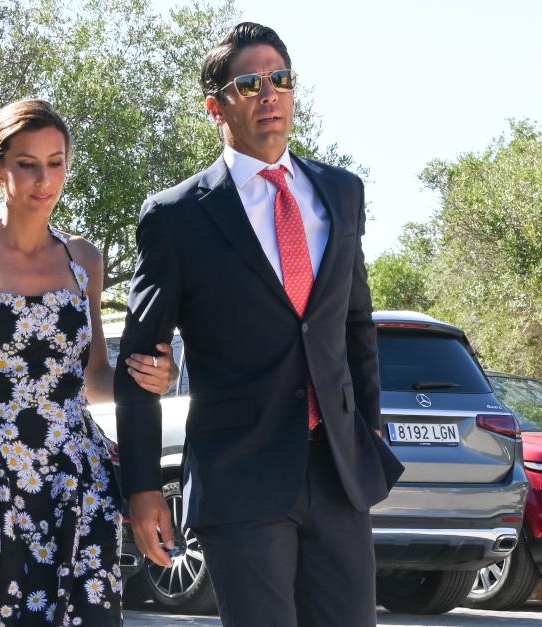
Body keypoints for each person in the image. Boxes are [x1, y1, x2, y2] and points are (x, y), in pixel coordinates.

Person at [115, 22, 405, 627]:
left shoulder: (340, 193)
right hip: (240, 477)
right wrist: (143, 490)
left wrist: (369, 432)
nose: (269, 94)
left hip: (337, 472)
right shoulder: (178, 217)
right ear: (215, 106)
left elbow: (356, 326)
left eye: (281, 79)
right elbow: (139, 365)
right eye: (249, 84)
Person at [0, 98, 177, 627]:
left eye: (56, 163)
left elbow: (93, 378)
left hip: (76, 479)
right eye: (27, 163)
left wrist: (146, 380)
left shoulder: (85, 260)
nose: (44, 178)